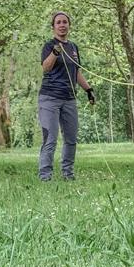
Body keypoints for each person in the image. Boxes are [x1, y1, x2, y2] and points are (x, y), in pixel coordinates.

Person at [38, 11, 95, 181]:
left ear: (69, 25)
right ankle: (45, 176)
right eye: (58, 22)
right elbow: (46, 67)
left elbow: (76, 72)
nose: (62, 25)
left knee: (71, 139)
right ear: (53, 27)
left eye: (65, 22)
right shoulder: (49, 45)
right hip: (50, 98)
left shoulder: (73, 47)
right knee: (51, 139)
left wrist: (88, 90)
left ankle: (68, 174)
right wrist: (55, 53)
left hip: (69, 98)